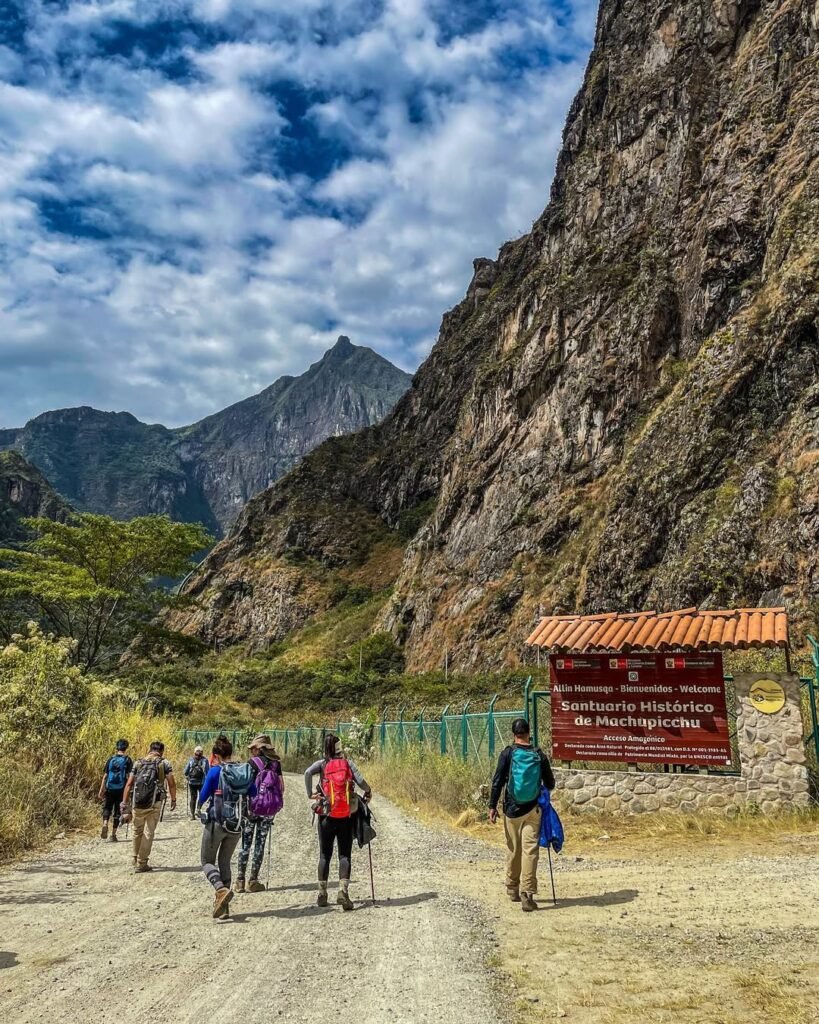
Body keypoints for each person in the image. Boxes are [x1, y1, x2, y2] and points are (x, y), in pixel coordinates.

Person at [488, 718, 555, 913]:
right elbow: (550, 783)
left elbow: (497, 781)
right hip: (533, 810)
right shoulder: (539, 755)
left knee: (513, 849)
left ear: (513, 734)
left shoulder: (508, 753)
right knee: (530, 851)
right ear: (528, 732)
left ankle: (512, 888)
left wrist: (492, 806)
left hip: (511, 810)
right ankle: (528, 894)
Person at [304, 734, 372, 911]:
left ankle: (322, 893)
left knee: (324, 855)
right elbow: (361, 781)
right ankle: (343, 891)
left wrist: (310, 794)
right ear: (339, 747)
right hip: (345, 816)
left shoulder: (322, 764)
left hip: (326, 815)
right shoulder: (347, 764)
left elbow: (307, 773)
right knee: (344, 855)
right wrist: (369, 791)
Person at [198, 737, 257, 918]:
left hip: (217, 822)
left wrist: (198, 809)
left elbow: (202, 796)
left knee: (207, 861)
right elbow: (253, 792)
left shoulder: (215, 771)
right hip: (237, 825)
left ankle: (220, 890)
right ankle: (224, 908)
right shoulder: (242, 771)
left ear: (215, 755)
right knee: (225, 862)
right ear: (231, 752)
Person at [236, 734, 284, 894]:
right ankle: (253, 880)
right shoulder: (276, 765)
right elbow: (281, 787)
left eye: (253, 748)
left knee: (245, 844)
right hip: (268, 811)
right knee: (260, 844)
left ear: (260, 749)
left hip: (251, 809)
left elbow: (244, 786)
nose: (251, 751)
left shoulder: (251, 764)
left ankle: (240, 881)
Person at [122, 740, 176, 874]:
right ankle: (142, 863)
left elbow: (129, 784)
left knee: (137, 830)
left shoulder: (138, 762)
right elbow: (171, 782)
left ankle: (134, 858)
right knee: (148, 832)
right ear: (161, 751)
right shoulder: (164, 763)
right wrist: (173, 799)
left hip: (137, 801)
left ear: (149, 749)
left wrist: (125, 803)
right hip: (154, 802)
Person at [97, 738, 132, 842]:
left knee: (107, 807)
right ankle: (113, 834)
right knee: (117, 811)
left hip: (110, 788)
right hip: (121, 789)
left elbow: (105, 776)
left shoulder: (111, 759)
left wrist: (101, 790)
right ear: (126, 748)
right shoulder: (127, 760)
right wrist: (130, 791)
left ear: (117, 747)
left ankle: (105, 823)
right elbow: (130, 776)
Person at [184, 745, 209, 819]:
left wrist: (187, 776)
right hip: (202, 782)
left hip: (192, 782)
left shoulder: (191, 760)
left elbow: (185, 772)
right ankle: (198, 809)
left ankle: (192, 815)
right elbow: (207, 772)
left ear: (194, 752)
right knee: (201, 796)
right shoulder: (205, 760)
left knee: (193, 798)